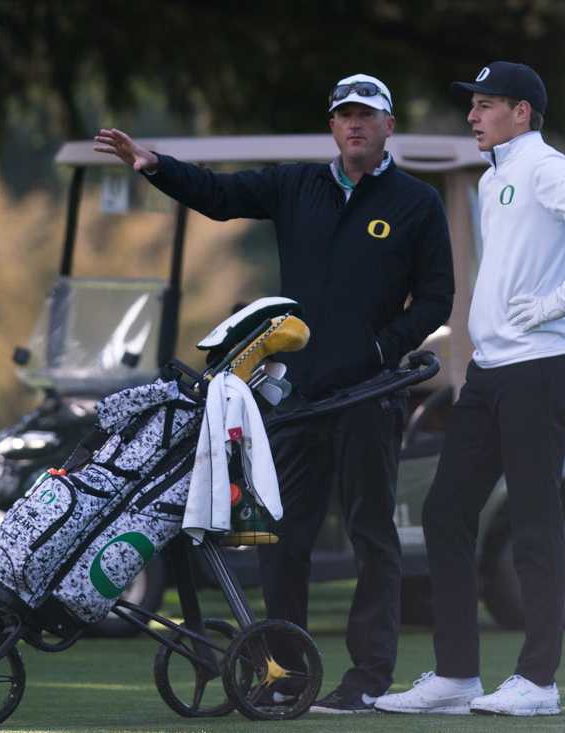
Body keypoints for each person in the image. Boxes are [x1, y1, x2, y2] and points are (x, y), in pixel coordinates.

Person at [94, 73, 454, 713]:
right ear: (333, 125)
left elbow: (435, 298)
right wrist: (154, 165)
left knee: (372, 534)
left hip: (370, 395)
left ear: (387, 127)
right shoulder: (297, 185)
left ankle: (367, 679)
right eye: (344, 115)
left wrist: (379, 348)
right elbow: (221, 194)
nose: (355, 125)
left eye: (366, 116)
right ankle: (286, 673)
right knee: (285, 537)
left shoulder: (415, 203)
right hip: (299, 397)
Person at [375, 61, 565, 717]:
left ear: (522, 112)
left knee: (537, 521)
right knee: (445, 511)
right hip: (491, 371)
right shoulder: (496, 179)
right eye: (474, 104)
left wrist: (560, 300)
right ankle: (457, 675)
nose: (472, 115)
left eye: (486, 105)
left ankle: (538, 683)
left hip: (539, 367)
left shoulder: (542, 164)